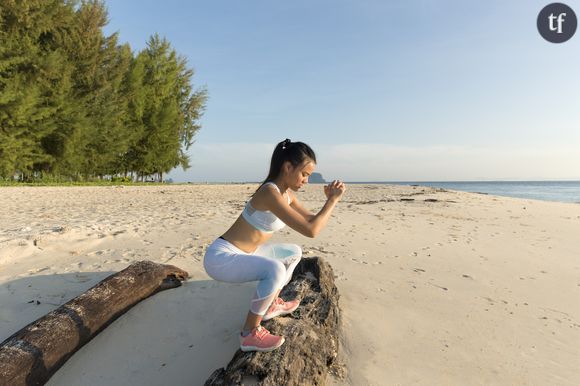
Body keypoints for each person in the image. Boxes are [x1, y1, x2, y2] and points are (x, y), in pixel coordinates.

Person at [203, 139, 346, 352]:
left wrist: (329, 201)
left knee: (292, 252)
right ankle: (249, 333)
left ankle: (271, 305)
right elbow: (311, 231)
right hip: (221, 258)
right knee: (275, 268)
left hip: (247, 254)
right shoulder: (270, 193)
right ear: (288, 167)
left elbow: (312, 220)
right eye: (304, 174)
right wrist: (332, 201)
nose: (306, 180)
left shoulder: (287, 195)